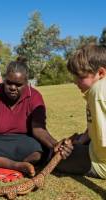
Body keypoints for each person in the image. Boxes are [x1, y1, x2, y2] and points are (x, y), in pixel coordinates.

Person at [0, 57, 73, 177]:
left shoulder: (35, 97)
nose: (13, 87)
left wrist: (54, 144)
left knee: (39, 153)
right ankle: (14, 165)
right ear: (4, 80)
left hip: (22, 142)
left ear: (27, 83)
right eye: (9, 83)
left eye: (18, 84)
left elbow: (38, 129)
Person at [56, 44, 106, 179]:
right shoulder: (96, 90)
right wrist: (82, 140)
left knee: (51, 156)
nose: (75, 81)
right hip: (95, 150)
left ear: (101, 73)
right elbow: (95, 125)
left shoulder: (98, 91)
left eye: (80, 77)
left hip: (100, 163)